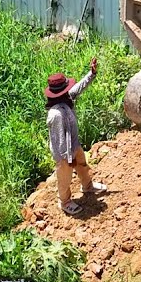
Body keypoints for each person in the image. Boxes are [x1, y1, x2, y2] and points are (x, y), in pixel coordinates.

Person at [46, 58, 107, 214]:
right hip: (63, 154)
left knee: (82, 166)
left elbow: (80, 87)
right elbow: (59, 140)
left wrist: (92, 74)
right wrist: (68, 157)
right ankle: (64, 202)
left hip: (73, 145)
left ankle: (87, 187)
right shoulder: (56, 115)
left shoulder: (67, 99)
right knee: (64, 178)